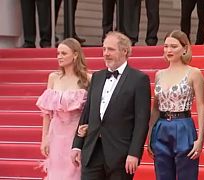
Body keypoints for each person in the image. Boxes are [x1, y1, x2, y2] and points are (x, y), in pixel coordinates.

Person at [71, 31, 151, 180]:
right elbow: (87, 113)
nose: (106, 53)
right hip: (92, 150)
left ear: (125, 51)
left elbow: (141, 122)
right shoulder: (97, 77)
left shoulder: (139, 79)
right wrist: (77, 144)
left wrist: (134, 153)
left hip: (120, 155)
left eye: (111, 49)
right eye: (104, 49)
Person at [147, 30, 204, 180]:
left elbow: (201, 106)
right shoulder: (159, 74)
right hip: (161, 127)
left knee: (187, 175)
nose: (169, 50)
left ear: (185, 48)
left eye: (173, 46)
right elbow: (155, 107)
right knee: (162, 175)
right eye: (166, 46)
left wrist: (200, 139)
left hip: (184, 125)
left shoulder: (194, 73)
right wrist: (149, 134)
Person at [36, 38, 91, 179]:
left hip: (76, 136)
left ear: (75, 55)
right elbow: (47, 112)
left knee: (74, 173)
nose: (59, 56)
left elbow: (91, 111)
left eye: (64, 53)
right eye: (58, 53)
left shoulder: (87, 79)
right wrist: (45, 138)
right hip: (56, 135)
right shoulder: (53, 78)